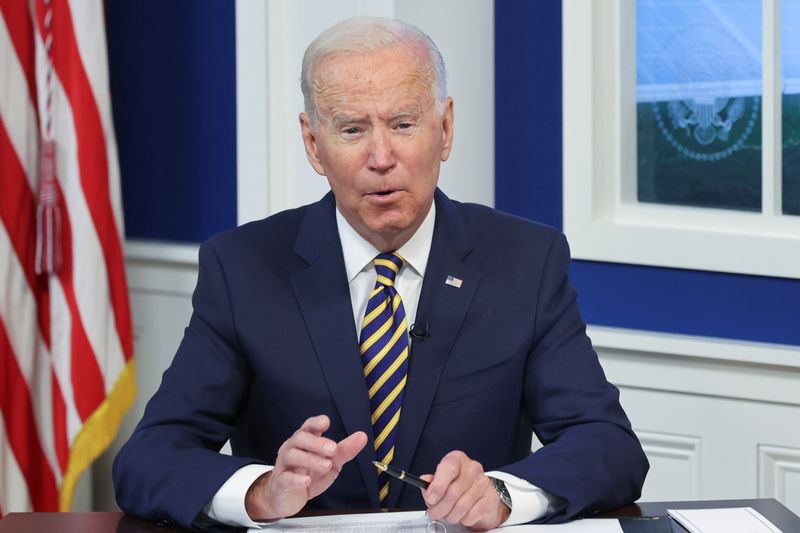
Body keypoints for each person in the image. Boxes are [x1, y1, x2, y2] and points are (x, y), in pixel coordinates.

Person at [113, 17, 648, 531]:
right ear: (313, 143)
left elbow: (608, 446)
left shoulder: (525, 261)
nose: (381, 156)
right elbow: (148, 460)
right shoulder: (243, 266)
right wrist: (263, 492)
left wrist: (501, 494)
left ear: (445, 129)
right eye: (352, 129)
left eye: (403, 124)